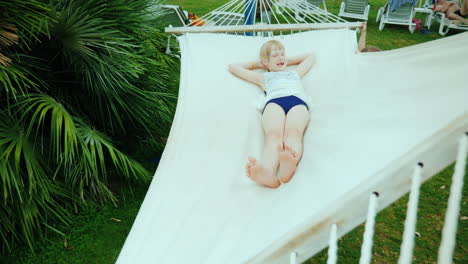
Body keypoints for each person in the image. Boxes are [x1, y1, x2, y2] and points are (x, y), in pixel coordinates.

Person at [229, 40, 316, 188]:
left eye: (283, 55)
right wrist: (261, 64)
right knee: (273, 136)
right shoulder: (263, 77)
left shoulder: (294, 74)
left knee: (294, 133)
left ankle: (289, 164)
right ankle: (267, 173)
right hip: (274, 103)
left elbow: (311, 56)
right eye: (275, 55)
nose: (281, 58)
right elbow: (233, 67)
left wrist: (282, 60)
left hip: (297, 102)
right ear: (265, 61)